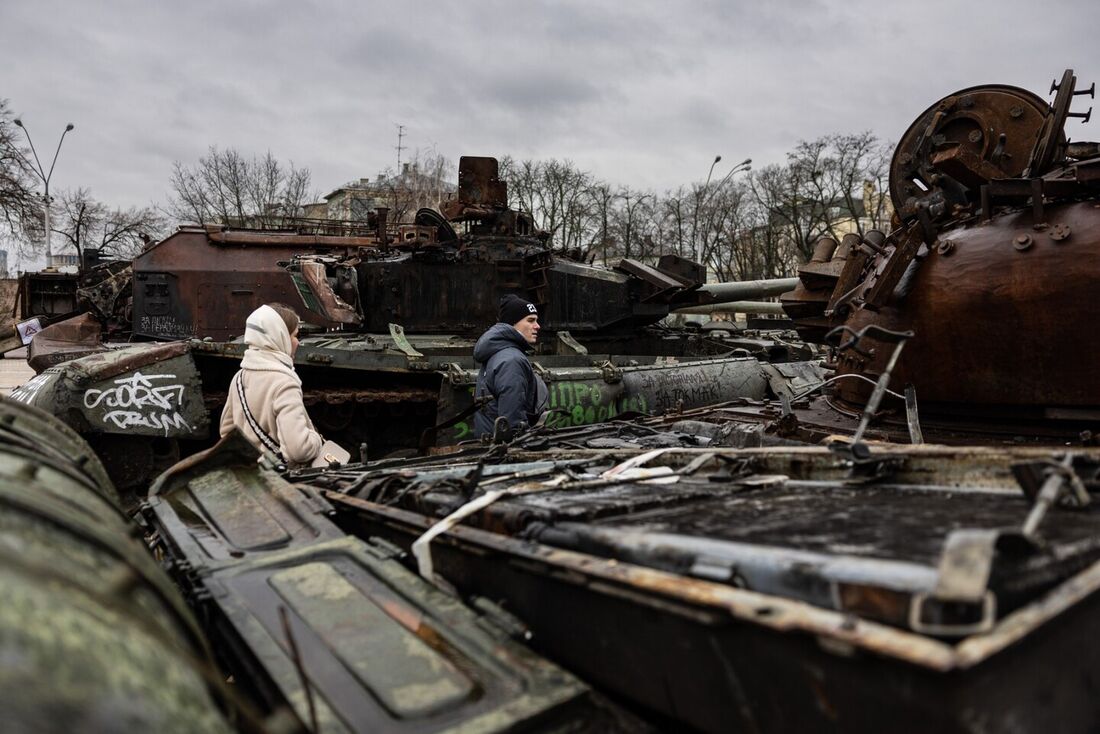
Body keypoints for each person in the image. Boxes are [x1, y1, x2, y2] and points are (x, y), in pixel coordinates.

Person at [219, 303, 323, 466]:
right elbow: (299, 450)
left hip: (254, 476)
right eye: (295, 335)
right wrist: (316, 438)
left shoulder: (239, 378)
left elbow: (227, 432)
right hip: (281, 479)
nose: (297, 342)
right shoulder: (285, 383)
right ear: (279, 336)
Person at [472, 294, 547, 438]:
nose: (537, 326)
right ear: (512, 324)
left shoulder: (497, 353)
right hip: (503, 449)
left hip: (489, 442)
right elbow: (512, 423)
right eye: (531, 320)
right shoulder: (512, 360)